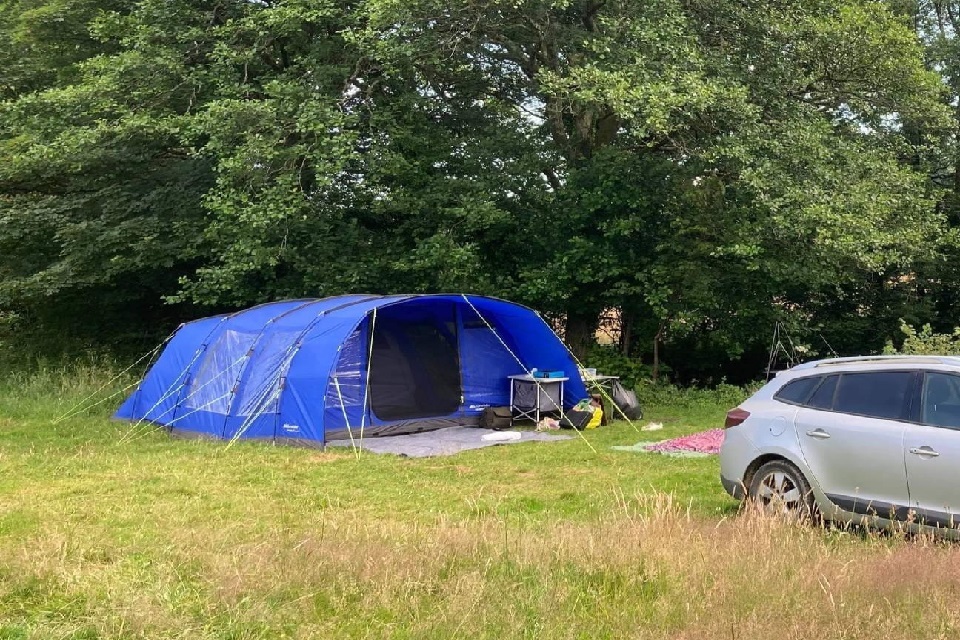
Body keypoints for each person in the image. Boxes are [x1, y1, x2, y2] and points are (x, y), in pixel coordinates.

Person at [537, 396, 603, 431]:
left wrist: (579, 407)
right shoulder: (597, 410)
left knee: (556, 423)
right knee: (557, 422)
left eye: (592, 400)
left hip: (578, 422)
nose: (590, 401)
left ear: (597, 402)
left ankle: (550, 424)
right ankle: (551, 424)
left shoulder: (594, 410)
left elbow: (575, 410)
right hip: (579, 421)